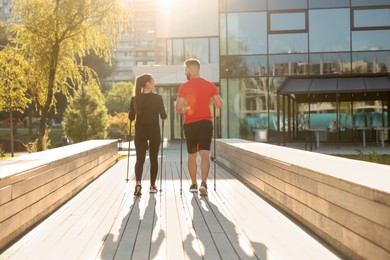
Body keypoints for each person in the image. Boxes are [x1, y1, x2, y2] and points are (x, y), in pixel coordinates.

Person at [175, 58, 223, 196]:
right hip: (205, 123)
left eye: (185, 69)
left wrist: (183, 111)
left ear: (191, 70)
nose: (185, 72)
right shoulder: (210, 85)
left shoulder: (184, 87)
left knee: (192, 155)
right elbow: (219, 104)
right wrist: (214, 98)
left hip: (190, 124)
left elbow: (178, 107)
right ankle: (204, 184)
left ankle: (194, 184)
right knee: (205, 154)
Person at [128, 73, 167, 197]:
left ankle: (138, 183)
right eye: (153, 81)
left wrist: (131, 109)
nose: (154, 83)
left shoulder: (135, 99)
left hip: (140, 133)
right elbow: (163, 115)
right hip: (154, 132)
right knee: (153, 159)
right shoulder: (158, 98)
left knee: (140, 160)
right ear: (147, 84)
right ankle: (152, 186)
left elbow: (131, 117)